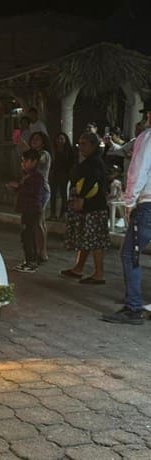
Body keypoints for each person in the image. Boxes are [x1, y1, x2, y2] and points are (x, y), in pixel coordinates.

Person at [101, 101, 151, 325]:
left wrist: (129, 203)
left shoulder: (147, 138)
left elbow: (138, 171)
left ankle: (133, 307)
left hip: (148, 204)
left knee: (129, 253)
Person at [60, 132, 110, 284]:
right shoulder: (88, 160)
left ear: (93, 145)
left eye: (84, 144)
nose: (80, 147)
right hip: (88, 206)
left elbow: (91, 181)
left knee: (95, 241)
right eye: (79, 143)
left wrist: (81, 198)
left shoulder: (94, 162)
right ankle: (78, 268)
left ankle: (99, 273)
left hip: (94, 206)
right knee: (86, 238)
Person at [7, 149, 49, 273]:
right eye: (22, 161)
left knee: (28, 235)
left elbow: (33, 193)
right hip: (28, 209)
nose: (23, 164)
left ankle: (31, 261)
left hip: (32, 209)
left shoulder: (36, 177)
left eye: (26, 161)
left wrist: (20, 187)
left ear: (34, 162)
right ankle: (29, 260)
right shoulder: (29, 176)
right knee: (26, 235)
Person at [29, 131, 52, 263]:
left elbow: (39, 159)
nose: (34, 142)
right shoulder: (32, 155)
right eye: (33, 139)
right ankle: (39, 250)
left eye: (37, 140)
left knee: (39, 222)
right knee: (38, 222)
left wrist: (27, 150)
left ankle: (42, 252)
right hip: (35, 189)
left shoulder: (44, 154)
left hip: (41, 190)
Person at [49, 132, 77, 220]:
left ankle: (62, 214)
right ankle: (52, 214)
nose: (59, 141)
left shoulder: (69, 151)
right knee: (53, 194)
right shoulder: (53, 150)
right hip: (54, 174)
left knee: (63, 194)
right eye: (58, 139)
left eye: (62, 139)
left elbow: (71, 163)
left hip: (64, 174)